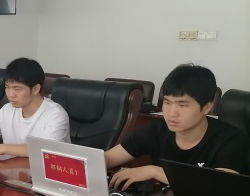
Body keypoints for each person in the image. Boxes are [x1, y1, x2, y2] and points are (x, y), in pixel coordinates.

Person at [107, 64, 250, 188]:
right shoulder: (156, 130)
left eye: (182, 105)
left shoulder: (231, 139)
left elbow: (220, 185)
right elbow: (108, 159)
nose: (171, 113)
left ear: (207, 107)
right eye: (167, 102)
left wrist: (153, 171)